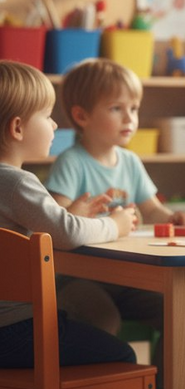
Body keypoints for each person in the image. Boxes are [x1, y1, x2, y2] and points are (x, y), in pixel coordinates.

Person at [45, 58, 185, 388]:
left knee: (177, 313)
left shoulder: (130, 161)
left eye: (134, 108)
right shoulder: (72, 162)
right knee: (102, 319)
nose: (130, 118)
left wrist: (172, 218)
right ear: (82, 116)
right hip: (78, 278)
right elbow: (57, 219)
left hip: (128, 276)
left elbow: (152, 208)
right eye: (117, 109)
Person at [0, 60, 138, 368]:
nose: (54, 126)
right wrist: (114, 225)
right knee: (123, 356)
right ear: (18, 128)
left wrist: (69, 214)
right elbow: (69, 233)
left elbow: (45, 228)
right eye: (47, 117)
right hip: (16, 330)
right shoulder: (15, 182)